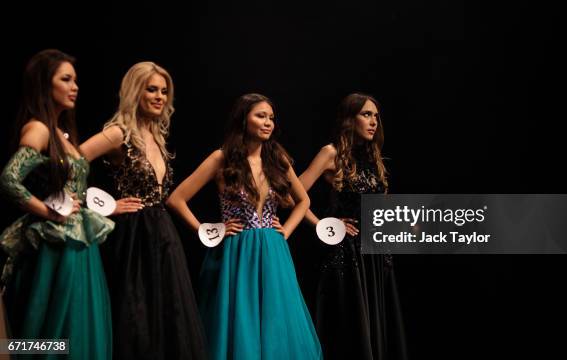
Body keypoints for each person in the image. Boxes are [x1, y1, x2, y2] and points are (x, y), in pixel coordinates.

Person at [167, 93, 322, 360]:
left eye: (271, 118)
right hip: (237, 252)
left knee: (275, 319)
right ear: (243, 119)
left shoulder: (278, 159)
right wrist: (209, 230)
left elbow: (303, 200)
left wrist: (286, 230)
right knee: (241, 322)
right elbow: (176, 199)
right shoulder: (222, 158)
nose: (268, 123)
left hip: (273, 250)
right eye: (260, 116)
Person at [80, 61, 207, 360]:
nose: (160, 96)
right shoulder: (117, 133)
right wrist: (105, 206)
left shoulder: (157, 136)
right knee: (136, 314)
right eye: (152, 89)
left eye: (164, 91)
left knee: (168, 312)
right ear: (135, 92)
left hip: (162, 232)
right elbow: (70, 163)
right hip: (132, 235)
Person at [0, 49, 114, 359]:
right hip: (56, 245)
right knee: (53, 334)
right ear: (43, 85)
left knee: (79, 330)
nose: (75, 86)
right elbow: (9, 180)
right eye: (66, 79)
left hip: (77, 243)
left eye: (76, 80)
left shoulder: (61, 134)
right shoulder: (38, 129)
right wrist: (48, 212)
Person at [297, 93, 409, 359]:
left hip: (377, 254)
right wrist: (324, 225)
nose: (374, 122)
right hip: (347, 255)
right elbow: (294, 195)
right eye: (366, 114)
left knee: (377, 324)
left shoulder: (374, 158)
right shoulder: (331, 153)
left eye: (376, 116)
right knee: (352, 329)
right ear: (350, 119)